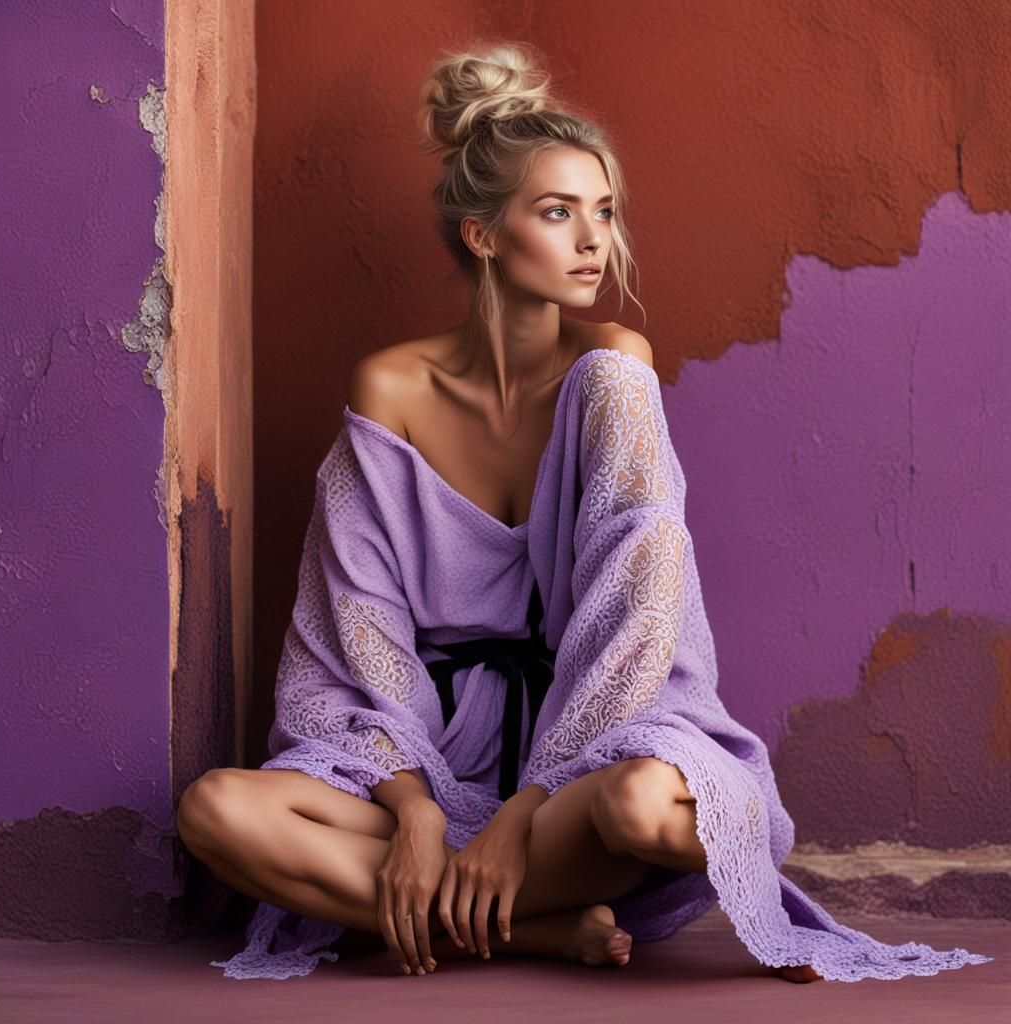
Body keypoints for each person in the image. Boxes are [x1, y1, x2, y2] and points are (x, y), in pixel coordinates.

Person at [177, 43, 993, 984]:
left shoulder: (615, 373)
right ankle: (533, 930)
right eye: (557, 213)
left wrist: (529, 805)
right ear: (484, 236)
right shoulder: (390, 388)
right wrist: (415, 812)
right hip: (437, 756)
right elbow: (354, 631)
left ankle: (444, 905)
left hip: (590, 757)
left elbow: (639, 613)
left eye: (602, 212)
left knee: (652, 811)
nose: (592, 241)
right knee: (217, 812)